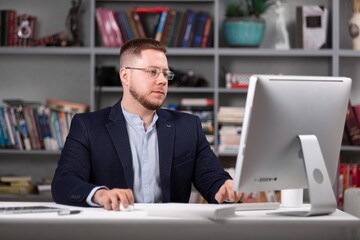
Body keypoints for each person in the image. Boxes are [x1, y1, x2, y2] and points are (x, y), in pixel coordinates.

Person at [51, 38, 242, 210]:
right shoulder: (88, 126)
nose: (162, 81)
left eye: (166, 74)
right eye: (152, 72)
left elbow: (212, 178)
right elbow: (64, 183)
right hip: (113, 230)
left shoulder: (188, 127)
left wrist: (224, 188)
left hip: (170, 232)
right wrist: (100, 194)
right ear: (125, 76)